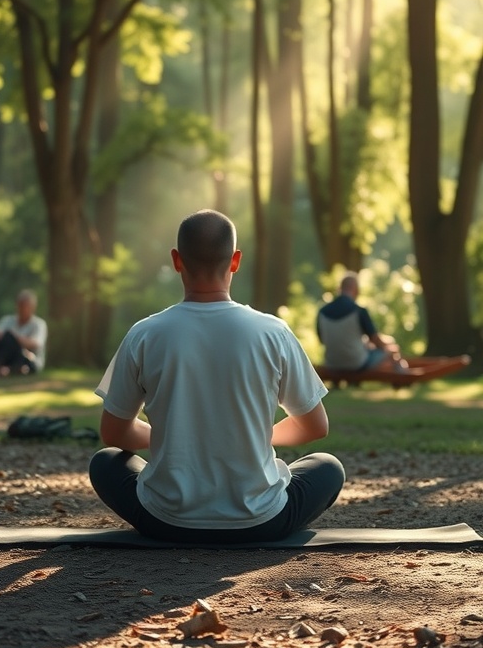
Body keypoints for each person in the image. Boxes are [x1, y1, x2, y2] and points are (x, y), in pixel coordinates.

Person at [89, 209, 345, 544]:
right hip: (259, 522)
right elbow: (315, 426)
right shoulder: (273, 333)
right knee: (327, 467)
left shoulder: (145, 334)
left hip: (166, 522)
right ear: (235, 260)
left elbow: (113, 432)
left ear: (177, 260)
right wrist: (248, 438)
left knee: (106, 463)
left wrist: (178, 439)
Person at [316, 272, 405, 372]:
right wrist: (389, 346)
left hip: (331, 363)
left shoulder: (322, 312)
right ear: (356, 290)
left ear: (340, 288)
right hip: (356, 363)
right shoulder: (359, 311)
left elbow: (322, 340)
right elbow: (375, 340)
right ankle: (402, 375)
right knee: (390, 350)